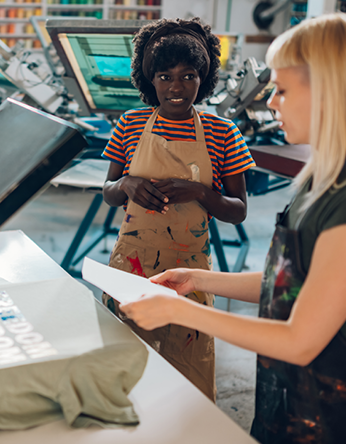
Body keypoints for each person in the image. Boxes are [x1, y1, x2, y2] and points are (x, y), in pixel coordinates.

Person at [119, 13, 346, 444]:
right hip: (294, 403)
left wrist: (179, 311)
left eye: (282, 89)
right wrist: (196, 279)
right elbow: (296, 284)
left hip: (345, 419)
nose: (272, 102)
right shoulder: (324, 181)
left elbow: (300, 340)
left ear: (329, 92)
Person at [101, 17, 255, 401]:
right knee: (123, 366)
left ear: (203, 78)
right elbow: (108, 193)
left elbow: (238, 212)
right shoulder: (130, 125)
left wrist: (202, 192)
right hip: (131, 267)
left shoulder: (222, 133)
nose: (176, 87)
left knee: (190, 375)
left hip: (190, 272)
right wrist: (126, 185)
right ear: (149, 79)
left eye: (188, 76)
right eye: (165, 76)